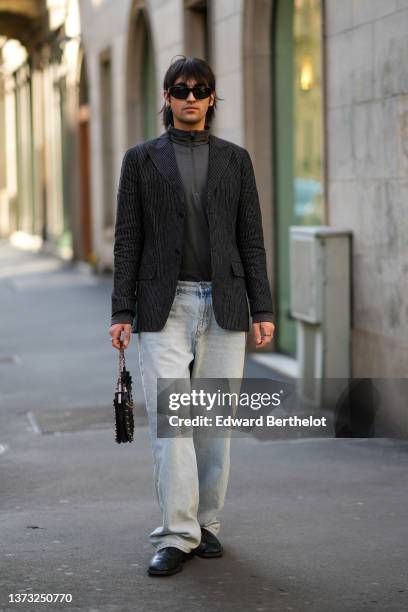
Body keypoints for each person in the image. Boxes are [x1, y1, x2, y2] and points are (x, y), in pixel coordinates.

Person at [109, 55, 275, 577]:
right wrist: (122, 309)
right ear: (166, 97)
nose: (189, 97)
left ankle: (207, 524)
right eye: (180, 89)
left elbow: (251, 237)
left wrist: (263, 307)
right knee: (171, 424)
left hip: (225, 303)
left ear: (211, 99)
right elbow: (128, 238)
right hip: (166, 304)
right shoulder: (140, 160)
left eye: (199, 89)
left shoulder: (236, 159)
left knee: (212, 425)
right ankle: (176, 533)